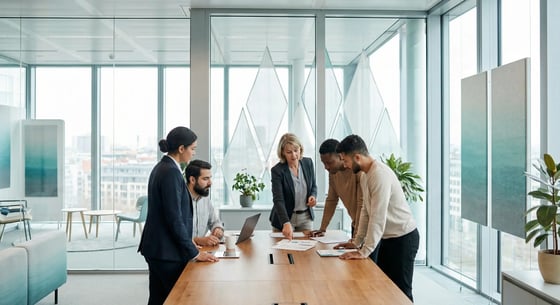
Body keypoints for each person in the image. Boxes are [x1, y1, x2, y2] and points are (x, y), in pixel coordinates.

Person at [334, 134, 419, 302]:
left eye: (346, 160)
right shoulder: (366, 174)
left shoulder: (379, 175)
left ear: (357, 157)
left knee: (401, 293)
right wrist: (357, 242)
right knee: (384, 289)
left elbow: (378, 216)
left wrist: (364, 252)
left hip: (403, 238)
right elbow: (366, 210)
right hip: (388, 239)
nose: (344, 165)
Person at [138, 126, 218, 305]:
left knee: (159, 299)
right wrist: (194, 252)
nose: (193, 153)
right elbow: (174, 218)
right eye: (192, 149)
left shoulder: (162, 167)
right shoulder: (171, 173)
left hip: (158, 249)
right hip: (166, 251)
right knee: (180, 299)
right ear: (181, 149)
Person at [310, 138, 364, 238]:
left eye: (329, 163)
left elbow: (362, 204)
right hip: (356, 224)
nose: (326, 167)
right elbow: (331, 200)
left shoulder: (357, 170)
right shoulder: (333, 173)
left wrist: (357, 236)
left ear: (340, 157)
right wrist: (322, 229)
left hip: (366, 226)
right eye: (323, 163)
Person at [269, 133, 317, 240]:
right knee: (283, 253)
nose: (294, 155)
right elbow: (278, 200)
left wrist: (313, 196)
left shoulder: (308, 163)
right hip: (284, 217)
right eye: (289, 152)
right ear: (283, 153)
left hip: (305, 217)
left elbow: (313, 185)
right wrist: (285, 222)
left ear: (300, 148)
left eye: (296, 150)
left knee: (306, 253)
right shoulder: (277, 171)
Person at [184, 159, 224, 246]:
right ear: (192, 180)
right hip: (183, 255)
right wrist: (197, 240)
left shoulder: (205, 199)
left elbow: (215, 221)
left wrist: (217, 229)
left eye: (210, 178)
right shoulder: (179, 200)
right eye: (205, 179)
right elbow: (174, 235)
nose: (210, 183)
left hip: (201, 252)